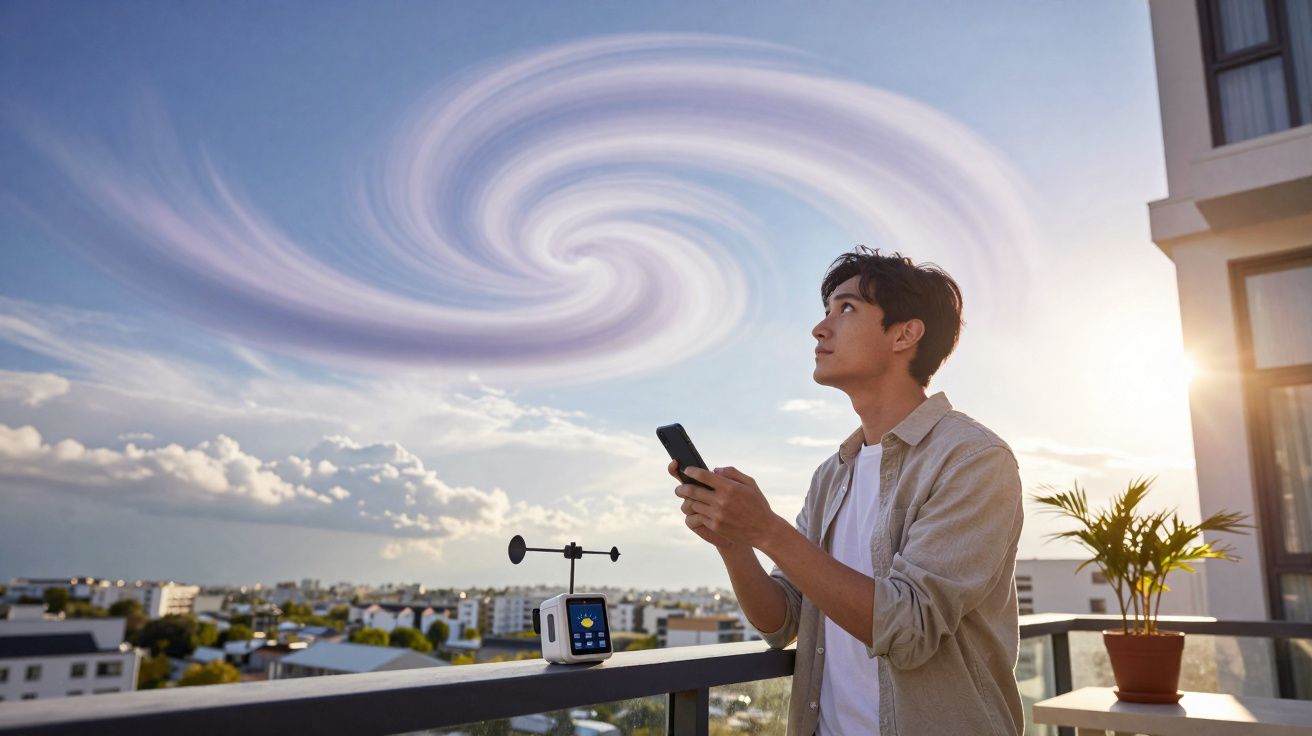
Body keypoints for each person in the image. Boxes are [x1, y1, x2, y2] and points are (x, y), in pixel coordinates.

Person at [670, 246, 1024, 735]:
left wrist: (767, 529)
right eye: (826, 311)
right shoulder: (833, 474)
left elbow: (908, 628)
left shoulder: (972, 459)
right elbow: (781, 623)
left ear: (905, 333)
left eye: (847, 308)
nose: (821, 328)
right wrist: (734, 542)